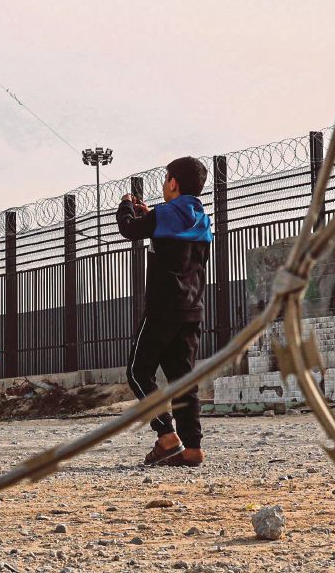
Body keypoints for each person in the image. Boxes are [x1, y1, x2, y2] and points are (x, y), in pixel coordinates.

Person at [115, 156, 212, 467]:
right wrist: (152, 216)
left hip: (161, 309)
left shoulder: (164, 214)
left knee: (138, 371)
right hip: (192, 309)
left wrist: (127, 204)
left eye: (165, 179)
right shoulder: (203, 219)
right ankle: (193, 447)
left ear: (173, 182)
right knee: (183, 380)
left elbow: (128, 229)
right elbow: (171, 232)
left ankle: (166, 434)